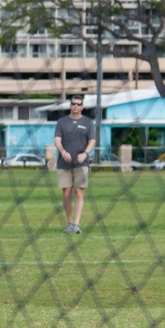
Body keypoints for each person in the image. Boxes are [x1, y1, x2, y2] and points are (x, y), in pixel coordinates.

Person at [53, 95, 95, 234]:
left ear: (82, 106)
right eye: (73, 104)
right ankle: (69, 222)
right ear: (70, 106)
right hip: (64, 163)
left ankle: (76, 224)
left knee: (78, 192)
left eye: (78, 104)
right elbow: (57, 140)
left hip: (81, 163)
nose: (75, 106)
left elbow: (92, 141)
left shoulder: (88, 123)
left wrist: (85, 153)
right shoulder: (62, 122)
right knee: (66, 193)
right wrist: (63, 152)